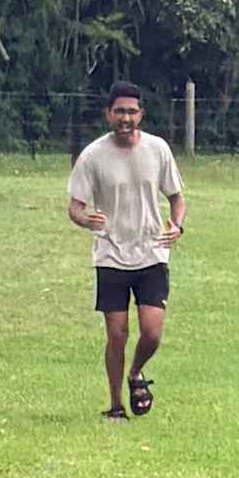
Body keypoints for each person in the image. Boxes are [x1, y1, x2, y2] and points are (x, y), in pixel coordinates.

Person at [64, 84, 185, 417]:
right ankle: (116, 406)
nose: (126, 118)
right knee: (116, 335)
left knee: (152, 332)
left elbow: (176, 198)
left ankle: (135, 374)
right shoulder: (92, 156)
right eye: (119, 111)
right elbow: (74, 207)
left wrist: (176, 226)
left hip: (151, 253)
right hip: (111, 255)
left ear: (141, 114)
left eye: (132, 112)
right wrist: (86, 220)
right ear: (108, 114)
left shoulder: (158, 149)